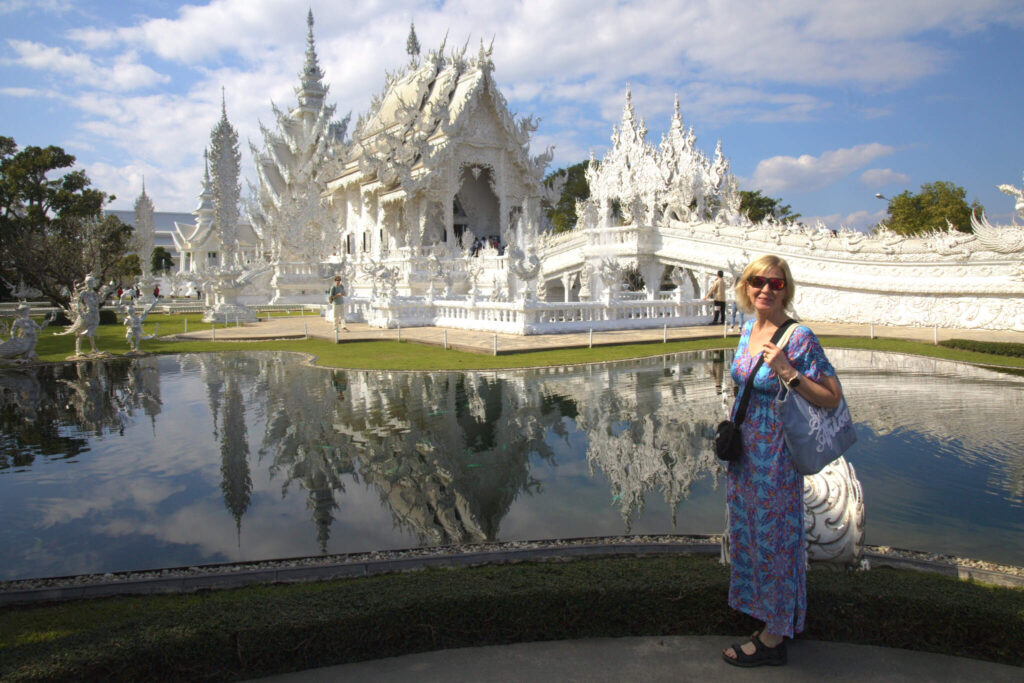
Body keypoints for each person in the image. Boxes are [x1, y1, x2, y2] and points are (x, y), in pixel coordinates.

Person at [721, 254, 843, 668]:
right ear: (745, 286)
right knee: (750, 536)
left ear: (785, 289)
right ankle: (770, 617)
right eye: (758, 281)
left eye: (775, 283)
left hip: (776, 454)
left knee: (777, 542)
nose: (765, 290)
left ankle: (774, 638)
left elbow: (832, 397)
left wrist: (789, 372)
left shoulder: (799, 337)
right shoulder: (747, 330)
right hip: (744, 453)